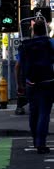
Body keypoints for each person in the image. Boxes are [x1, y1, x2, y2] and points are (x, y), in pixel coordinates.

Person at [18, 19, 54, 154]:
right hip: (48, 82)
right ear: (45, 29)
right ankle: (41, 143)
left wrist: (20, 84)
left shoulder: (25, 45)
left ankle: (34, 140)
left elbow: (18, 66)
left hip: (30, 83)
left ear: (33, 31)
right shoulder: (50, 42)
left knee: (33, 113)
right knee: (44, 113)